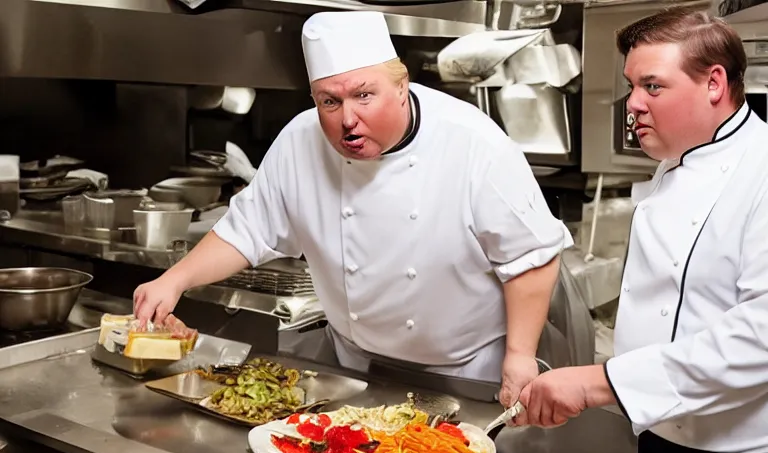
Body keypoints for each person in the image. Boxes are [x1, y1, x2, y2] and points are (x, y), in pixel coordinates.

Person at [133, 11, 573, 403]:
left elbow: (529, 258)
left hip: (465, 375)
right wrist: (175, 280)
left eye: (364, 95)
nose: (347, 119)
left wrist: (519, 355)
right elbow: (248, 229)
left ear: (402, 87)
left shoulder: (476, 144)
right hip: (354, 369)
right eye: (330, 101)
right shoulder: (299, 140)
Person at [512, 7, 768, 453]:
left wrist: (598, 382)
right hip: (658, 444)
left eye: (653, 87)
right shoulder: (680, 158)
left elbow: (760, 336)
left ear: (714, 83)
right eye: (633, 86)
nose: (633, 105)